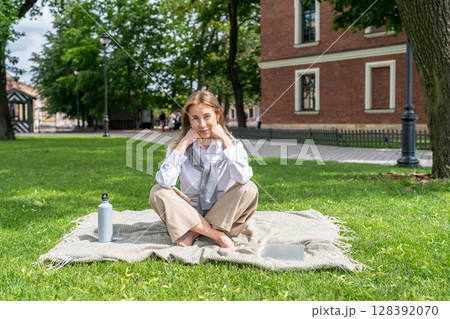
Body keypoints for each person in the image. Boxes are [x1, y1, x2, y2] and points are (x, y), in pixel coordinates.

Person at [149, 89, 258, 250]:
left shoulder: (233, 146)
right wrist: (184, 143)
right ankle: (216, 235)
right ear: (188, 121)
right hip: (190, 212)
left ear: (217, 116)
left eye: (207, 116)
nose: (202, 124)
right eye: (195, 118)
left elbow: (243, 177)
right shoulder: (178, 149)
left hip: (225, 216)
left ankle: (194, 232)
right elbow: (165, 181)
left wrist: (226, 141)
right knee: (157, 191)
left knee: (249, 188)